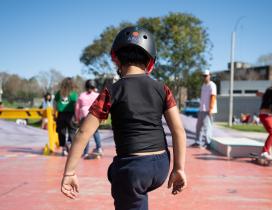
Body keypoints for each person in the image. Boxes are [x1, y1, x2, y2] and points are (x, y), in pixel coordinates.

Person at [61, 26, 187, 209]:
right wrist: (179, 168)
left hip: (133, 169)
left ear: (116, 60)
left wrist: (69, 173)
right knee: (115, 172)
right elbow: (178, 130)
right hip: (161, 165)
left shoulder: (112, 91)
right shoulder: (162, 88)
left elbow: (83, 133)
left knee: (121, 177)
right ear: (150, 62)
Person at [75, 79, 103, 158]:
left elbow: (77, 108)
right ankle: (99, 148)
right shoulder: (97, 95)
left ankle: (85, 152)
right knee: (96, 132)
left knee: (85, 134)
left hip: (84, 115)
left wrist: (77, 118)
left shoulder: (82, 95)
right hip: (95, 115)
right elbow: (101, 106)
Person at [54, 77, 78, 156]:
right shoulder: (73, 94)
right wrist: (76, 115)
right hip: (70, 114)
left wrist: (54, 113)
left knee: (62, 131)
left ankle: (64, 146)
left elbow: (55, 104)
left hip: (62, 114)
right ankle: (69, 143)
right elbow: (76, 105)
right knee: (71, 130)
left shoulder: (59, 93)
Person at [194, 69, 217, 148]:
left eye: (206, 76)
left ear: (209, 76)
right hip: (202, 109)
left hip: (208, 110)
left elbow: (213, 97)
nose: (205, 77)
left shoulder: (212, 85)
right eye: (204, 76)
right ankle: (198, 142)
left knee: (207, 127)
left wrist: (210, 109)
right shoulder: (203, 85)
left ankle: (208, 143)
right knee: (198, 126)